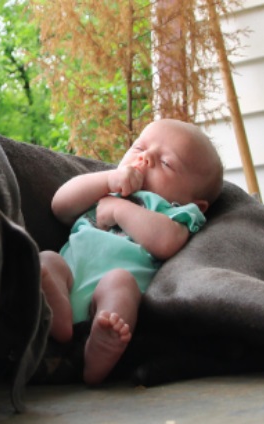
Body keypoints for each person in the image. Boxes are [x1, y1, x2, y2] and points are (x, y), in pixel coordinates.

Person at [40, 119, 224, 385]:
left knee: (120, 282)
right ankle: (57, 312)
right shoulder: (107, 188)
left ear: (196, 204)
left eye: (166, 163)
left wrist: (118, 209)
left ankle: (100, 349)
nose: (145, 158)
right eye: (140, 147)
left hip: (106, 308)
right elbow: (60, 205)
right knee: (48, 261)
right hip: (68, 281)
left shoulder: (173, 211)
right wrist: (108, 180)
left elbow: (166, 242)